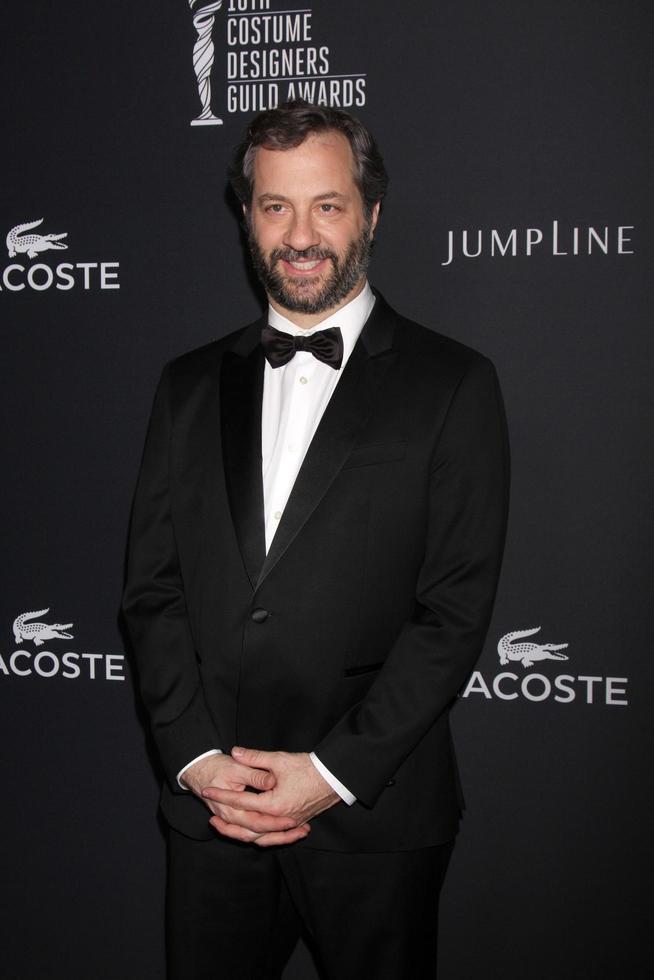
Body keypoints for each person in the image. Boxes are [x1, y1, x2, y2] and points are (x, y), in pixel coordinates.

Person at [122, 99, 510, 980]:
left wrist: (329, 772)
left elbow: (452, 615)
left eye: (326, 205)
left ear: (370, 214)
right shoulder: (185, 386)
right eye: (275, 206)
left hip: (375, 817)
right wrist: (195, 760)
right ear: (247, 218)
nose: (300, 234)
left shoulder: (454, 385)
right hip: (212, 817)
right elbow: (152, 590)